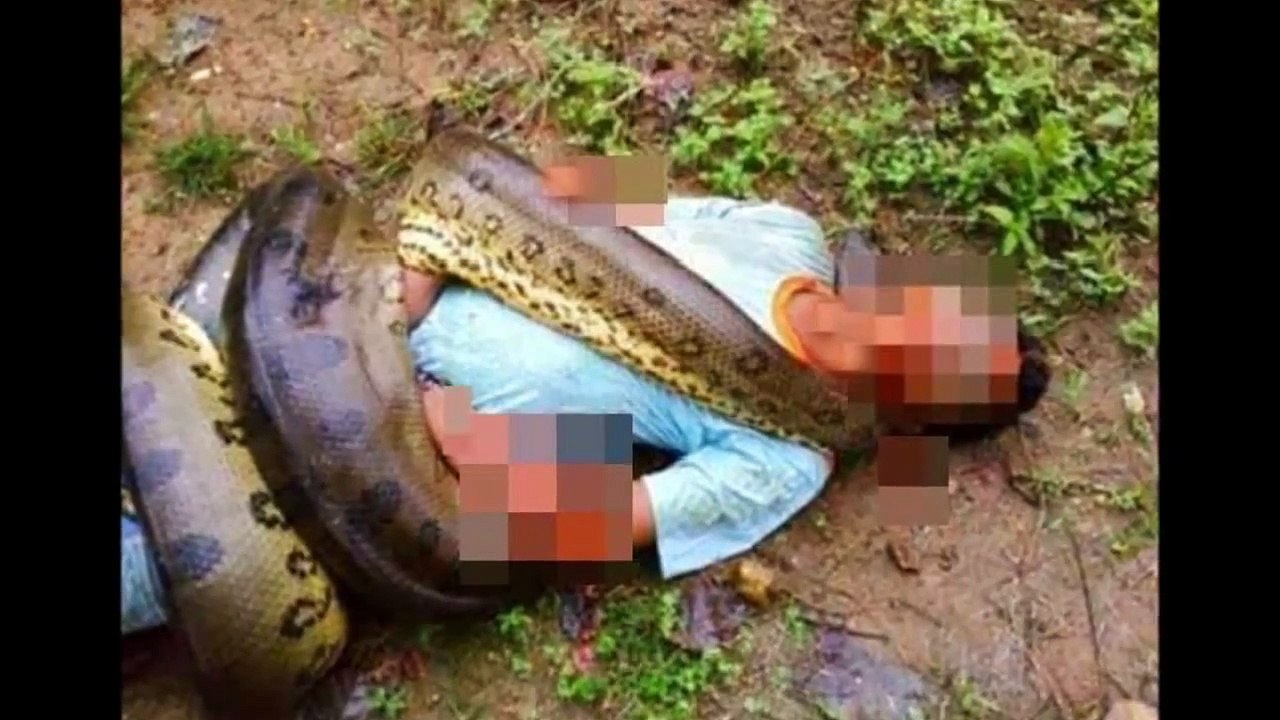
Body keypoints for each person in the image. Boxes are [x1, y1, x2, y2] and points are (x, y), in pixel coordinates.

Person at [121, 190, 1050, 636]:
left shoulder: (791, 453)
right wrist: (432, 249)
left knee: (160, 547)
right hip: (368, 298)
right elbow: (589, 196)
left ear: (919, 419)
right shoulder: (783, 233)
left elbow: (620, 511)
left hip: (388, 434)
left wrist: (480, 448)